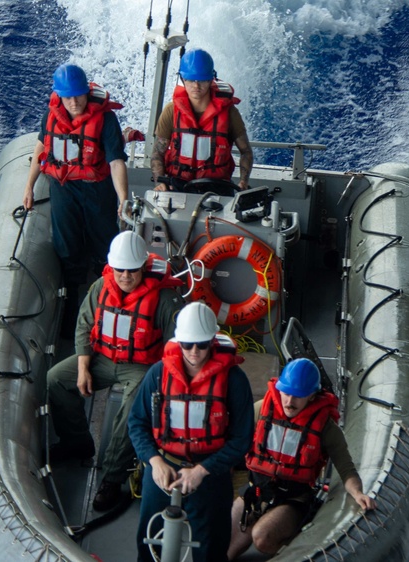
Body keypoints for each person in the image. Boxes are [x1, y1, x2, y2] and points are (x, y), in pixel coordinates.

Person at [46, 231, 184, 512]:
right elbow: (84, 325)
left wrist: (160, 381)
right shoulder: (100, 288)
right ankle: (77, 442)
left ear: (142, 268)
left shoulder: (164, 300)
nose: (124, 276)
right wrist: (83, 368)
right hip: (102, 358)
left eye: (131, 271)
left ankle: (112, 476)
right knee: (57, 379)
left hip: (143, 366)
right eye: (119, 270)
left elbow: (174, 349)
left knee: (132, 408)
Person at [129, 302, 254, 562]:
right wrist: (155, 462)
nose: (194, 351)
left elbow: (242, 438)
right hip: (163, 470)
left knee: (210, 548)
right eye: (187, 344)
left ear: (212, 340)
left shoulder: (234, 380)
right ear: (178, 341)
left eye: (201, 344)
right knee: (149, 545)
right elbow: (137, 422)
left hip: (210, 475)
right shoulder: (158, 374)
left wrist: (202, 471)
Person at [227, 358, 377, 559]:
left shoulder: (325, 428)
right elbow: (231, 440)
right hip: (256, 492)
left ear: (312, 396)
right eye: (286, 393)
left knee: (262, 537)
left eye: (298, 396)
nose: (289, 402)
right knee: (223, 545)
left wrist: (358, 493)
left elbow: (346, 469)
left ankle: (290, 542)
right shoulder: (261, 411)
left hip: (292, 501)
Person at [22, 63, 129, 296]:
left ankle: (107, 288)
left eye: (78, 95)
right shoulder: (50, 117)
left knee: (104, 239)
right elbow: (41, 147)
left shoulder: (106, 120)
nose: (74, 103)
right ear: (59, 96)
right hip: (64, 188)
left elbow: (115, 161)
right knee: (66, 242)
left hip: (97, 189)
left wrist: (123, 198)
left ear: (86, 92)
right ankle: (72, 290)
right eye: (68, 97)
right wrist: (29, 187)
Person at [149, 48, 254, 193]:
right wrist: (159, 182)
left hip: (217, 188)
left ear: (211, 79)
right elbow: (157, 153)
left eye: (202, 80)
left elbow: (246, 151)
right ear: (183, 79)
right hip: (177, 187)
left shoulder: (230, 113)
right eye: (191, 80)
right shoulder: (171, 111)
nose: (196, 86)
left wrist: (243, 182)